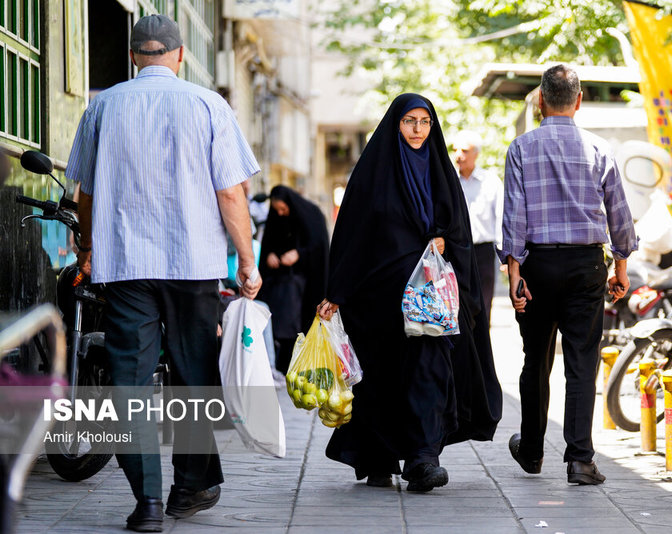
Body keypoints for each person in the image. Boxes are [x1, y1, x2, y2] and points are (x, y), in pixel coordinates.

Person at [65, 15, 261, 532]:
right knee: (194, 377)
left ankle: (147, 502)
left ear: (133, 56)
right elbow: (230, 193)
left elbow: (84, 193)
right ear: (177, 56)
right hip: (194, 266)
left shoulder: (103, 105)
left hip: (126, 266)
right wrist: (246, 260)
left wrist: (88, 248)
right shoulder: (207, 104)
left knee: (126, 382)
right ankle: (189, 487)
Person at [317, 93, 502, 493]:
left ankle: (423, 458)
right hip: (378, 302)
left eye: (425, 122)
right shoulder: (372, 174)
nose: (418, 130)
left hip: (428, 303)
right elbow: (352, 236)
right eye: (409, 122)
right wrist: (336, 292)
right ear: (395, 125)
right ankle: (379, 456)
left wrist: (442, 241)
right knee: (381, 379)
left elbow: (460, 233)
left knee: (429, 371)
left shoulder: (441, 173)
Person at [500, 64, 637, 485]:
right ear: (579, 102)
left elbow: (514, 218)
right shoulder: (599, 149)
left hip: (538, 266)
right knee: (581, 362)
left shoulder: (520, 148)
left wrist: (514, 275)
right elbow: (619, 214)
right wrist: (620, 268)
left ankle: (534, 451)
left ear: (540, 100)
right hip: (585, 268)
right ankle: (579, 459)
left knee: (535, 359)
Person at [257, 185, 329, 373]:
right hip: (279, 285)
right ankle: (281, 364)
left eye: (283, 209)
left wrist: (299, 254)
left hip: (304, 285)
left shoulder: (311, 215)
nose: (280, 214)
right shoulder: (275, 219)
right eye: (277, 210)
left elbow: (319, 247)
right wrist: (270, 255)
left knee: (300, 325)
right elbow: (268, 245)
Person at [452, 130, 503, 324]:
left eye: (465, 150)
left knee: (483, 305)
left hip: (482, 253)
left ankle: (481, 352)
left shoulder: (490, 182)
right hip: (455, 250)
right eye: (455, 149)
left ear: (476, 154)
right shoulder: (449, 181)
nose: (459, 155)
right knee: (455, 305)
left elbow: (500, 218)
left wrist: (504, 256)